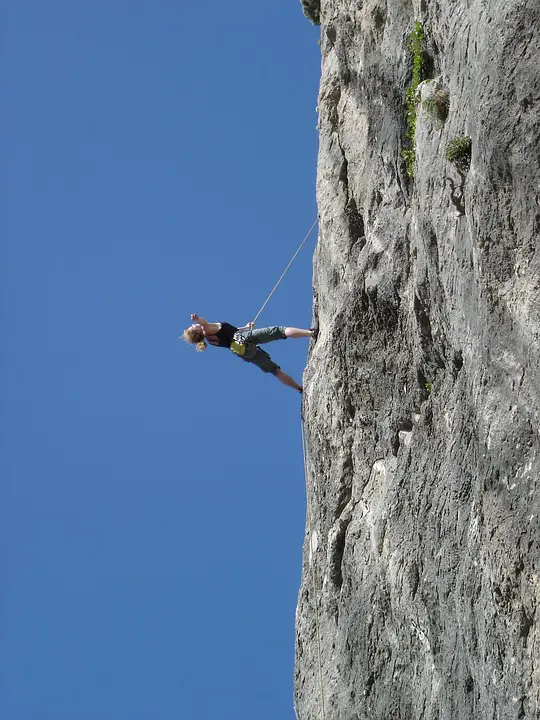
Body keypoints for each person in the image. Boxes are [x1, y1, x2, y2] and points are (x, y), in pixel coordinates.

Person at [182, 313, 317, 393]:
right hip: (243, 338)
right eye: (193, 327)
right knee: (280, 331)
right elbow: (204, 322)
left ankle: (299, 388)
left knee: (275, 371)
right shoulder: (206, 328)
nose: (194, 325)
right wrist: (197, 318)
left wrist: (245, 328)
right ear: (197, 331)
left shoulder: (210, 341)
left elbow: (230, 334)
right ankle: (311, 333)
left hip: (242, 352)